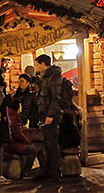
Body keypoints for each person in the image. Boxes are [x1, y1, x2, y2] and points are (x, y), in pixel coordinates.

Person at [35, 54, 62, 182]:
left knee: (52, 144)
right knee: (47, 144)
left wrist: (50, 115)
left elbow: (56, 97)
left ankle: (55, 173)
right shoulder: (45, 78)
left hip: (51, 116)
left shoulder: (54, 77)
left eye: (38, 64)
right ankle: (47, 171)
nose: (37, 67)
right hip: (44, 115)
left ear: (44, 64)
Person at [2, 96, 43, 179]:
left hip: (9, 143)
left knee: (34, 148)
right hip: (12, 143)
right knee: (33, 149)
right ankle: (27, 171)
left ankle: (36, 171)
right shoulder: (14, 117)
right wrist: (27, 141)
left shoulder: (10, 115)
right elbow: (17, 134)